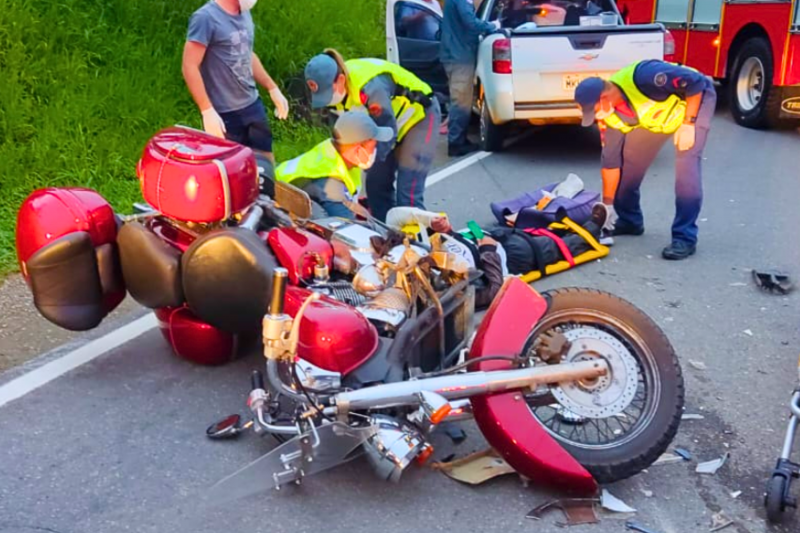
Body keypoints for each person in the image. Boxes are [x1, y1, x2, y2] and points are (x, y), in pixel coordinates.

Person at [574, 59, 717, 260]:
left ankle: (684, 237)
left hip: (694, 103)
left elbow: (695, 82)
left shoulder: (645, 76)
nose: (597, 116)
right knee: (629, 165)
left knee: (687, 166)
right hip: (658, 121)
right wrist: (607, 206)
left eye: (595, 109)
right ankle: (630, 220)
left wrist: (689, 123)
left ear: (605, 97)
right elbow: (610, 163)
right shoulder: (611, 116)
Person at [303, 50, 441, 222]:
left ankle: (418, 244)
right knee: (376, 186)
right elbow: (341, 140)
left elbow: (386, 129)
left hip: (419, 118)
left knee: (408, 193)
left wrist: (367, 162)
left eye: (327, 93)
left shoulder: (369, 88)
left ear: (341, 80)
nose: (326, 100)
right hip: (383, 127)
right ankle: (388, 236)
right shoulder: (332, 98)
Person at [182, 0, 290, 163]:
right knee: (234, 172)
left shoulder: (244, 12)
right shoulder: (205, 18)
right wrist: (207, 110)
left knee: (265, 164)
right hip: (226, 114)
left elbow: (246, 53)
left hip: (253, 106)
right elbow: (189, 65)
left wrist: (272, 87)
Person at [275, 111, 394, 218]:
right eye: (373, 147)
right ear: (358, 150)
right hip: (280, 207)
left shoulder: (333, 151)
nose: (375, 151)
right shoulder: (330, 185)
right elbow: (349, 230)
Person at [440, 0, 501, 156]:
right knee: (461, 102)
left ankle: (460, 139)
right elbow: (471, 24)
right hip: (459, 57)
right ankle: (456, 143)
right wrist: (493, 26)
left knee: (461, 100)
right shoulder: (461, 1)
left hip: (455, 54)